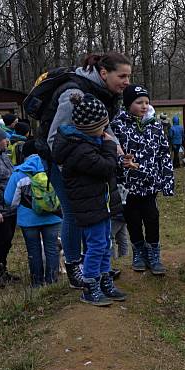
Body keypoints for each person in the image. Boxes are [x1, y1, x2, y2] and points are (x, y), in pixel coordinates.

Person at [40, 52, 131, 291]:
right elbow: (54, 138)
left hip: (86, 161)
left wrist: (119, 152)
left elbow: (105, 125)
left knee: (96, 212)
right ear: (104, 73)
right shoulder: (74, 94)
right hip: (61, 162)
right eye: (122, 76)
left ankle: (95, 266)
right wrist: (71, 172)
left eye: (128, 76)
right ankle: (74, 268)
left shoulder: (107, 93)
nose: (126, 82)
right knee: (73, 212)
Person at [52, 93, 126, 306]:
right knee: (95, 246)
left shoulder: (90, 143)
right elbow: (105, 168)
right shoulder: (80, 149)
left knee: (105, 244)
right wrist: (111, 147)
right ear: (91, 127)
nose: (106, 131)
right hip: (89, 207)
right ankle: (89, 285)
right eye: (103, 126)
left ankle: (104, 280)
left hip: (99, 204)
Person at [112, 84, 174, 276]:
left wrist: (167, 182)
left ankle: (154, 254)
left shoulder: (155, 125)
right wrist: (122, 161)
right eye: (139, 102)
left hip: (150, 183)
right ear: (129, 103)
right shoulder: (118, 124)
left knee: (152, 218)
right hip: (128, 185)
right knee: (132, 219)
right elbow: (111, 150)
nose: (144, 106)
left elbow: (164, 154)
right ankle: (138, 252)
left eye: (147, 102)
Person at [3, 151, 62, 287]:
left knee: (33, 251)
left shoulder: (19, 173)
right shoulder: (54, 171)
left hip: (28, 220)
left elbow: (9, 200)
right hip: (53, 218)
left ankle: (37, 283)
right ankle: (52, 282)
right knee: (52, 249)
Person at [0, 127, 19, 286]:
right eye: (4, 139)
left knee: (7, 241)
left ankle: (3, 270)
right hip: (0, 211)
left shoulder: (4, 156)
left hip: (11, 208)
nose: (7, 141)